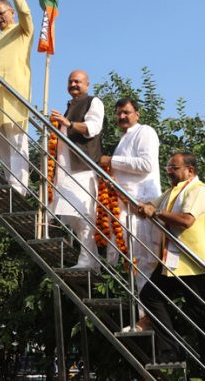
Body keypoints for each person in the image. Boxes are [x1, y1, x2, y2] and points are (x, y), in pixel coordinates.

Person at [137, 152, 205, 379]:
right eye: (167, 167)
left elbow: (186, 220)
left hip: (194, 264)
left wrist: (155, 212)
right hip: (172, 264)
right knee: (149, 295)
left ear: (190, 171)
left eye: (174, 168)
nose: (168, 171)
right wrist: (145, 207)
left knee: (203, 320)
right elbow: (150, 206)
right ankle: (172, 349)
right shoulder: (172, 192)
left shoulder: (198, 190)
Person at [99, 98, 161, 320]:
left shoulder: (145, 132)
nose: (122, 117)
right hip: (125, 210)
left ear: (137, 114)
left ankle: (149, 320)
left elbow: (146, 165)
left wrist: (110, 161)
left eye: (126, 112)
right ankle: (144, 318)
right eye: (118, 113)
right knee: (136, 268)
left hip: (141, 209)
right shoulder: (125, 138)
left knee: (145, 266)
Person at [49, 70, 104, 271]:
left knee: (84, 214)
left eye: (78, 81)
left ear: (87, 84)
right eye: (71, 81)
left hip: (83, 167)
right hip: (65, 170)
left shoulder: (93, 102)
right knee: (71, 215)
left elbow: (93, 127)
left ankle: (87, 261)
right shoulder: (69, 107)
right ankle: (90, 259)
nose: (74, 84)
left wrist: (69, 124)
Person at [0, 0, 34, 196]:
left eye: (2, 12)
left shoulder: (22, 31)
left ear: (11, 12)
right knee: (2, 146)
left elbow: (26, 11)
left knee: (18, 144)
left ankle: (20, 189)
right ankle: (10, 185)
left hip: (15, 95)